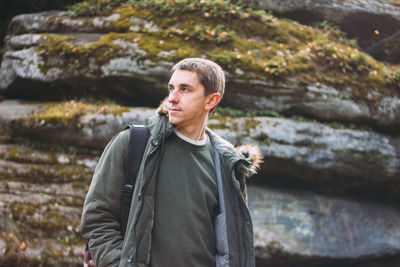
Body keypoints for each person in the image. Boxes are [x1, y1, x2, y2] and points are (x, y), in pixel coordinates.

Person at [81, 58, 262, 267]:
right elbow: (98, 218)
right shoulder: (133, 144)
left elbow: (234, 244)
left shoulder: (228, 165)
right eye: (171, 88)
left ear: (211, 101)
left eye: (185, 89)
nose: (172, 98)